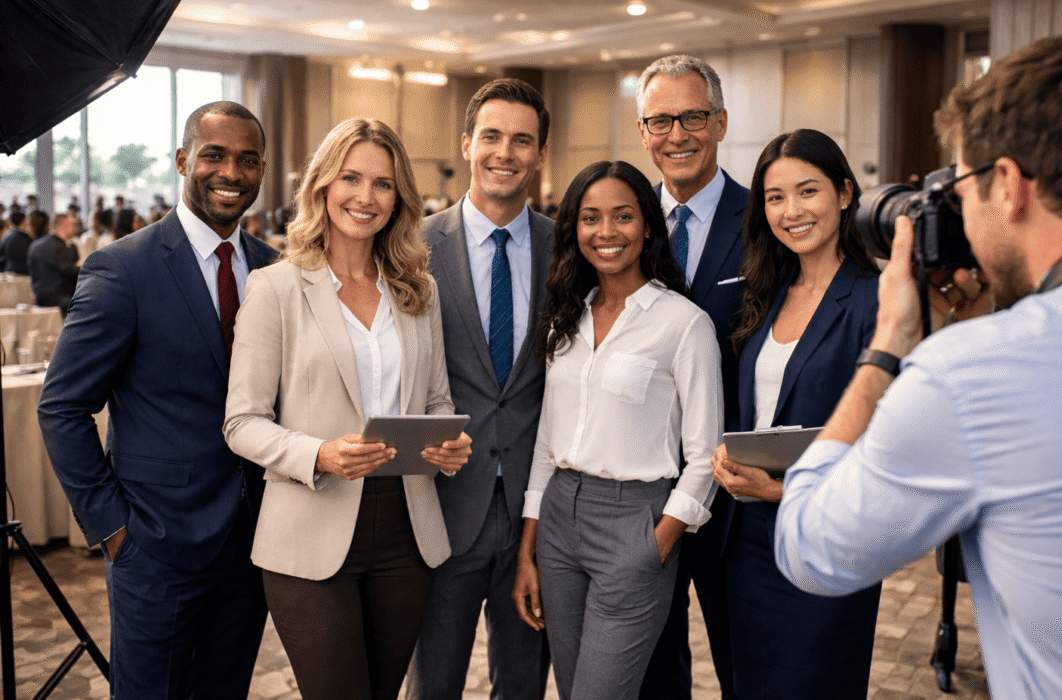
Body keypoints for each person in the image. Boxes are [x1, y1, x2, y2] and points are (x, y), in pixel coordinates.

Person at [773, 35, 1062, 700]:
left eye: (959, 186)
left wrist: (889, 345)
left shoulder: (971, 372)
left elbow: (813, 549)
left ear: (1006, 185)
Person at [223, 117, 472, 700]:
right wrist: (319, 454)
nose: (366, 196)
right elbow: (241, 422)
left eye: (383, 184)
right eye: (351, 178)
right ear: (323, 185)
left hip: (406, 531)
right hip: (308, 528)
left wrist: (448, 445)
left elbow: (438, 401)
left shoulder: (419, 290)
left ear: (399, 198)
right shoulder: (276, 287)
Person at [38, 101, 278, 699]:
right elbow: (63, 407)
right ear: (182, 161)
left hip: (254, 542)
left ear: (262, 170)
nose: (231, 172)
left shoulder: (274, 271)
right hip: (155, 545)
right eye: (215, 155)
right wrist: (113, 528)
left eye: (248, 160)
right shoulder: (123, 269)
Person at [513, 160, 723, 700]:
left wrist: (658, 544)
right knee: (572, 689)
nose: (606, 232)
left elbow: (706, 456)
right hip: (558, 523)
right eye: (590, 218)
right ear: (574, 228)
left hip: (635, 523)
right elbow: (546, 443)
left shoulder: (684, 323)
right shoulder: (567, 317)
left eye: (623, 216)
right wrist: (528, 549)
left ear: (648, 225)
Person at [710, 129, 881, 698]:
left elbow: (886, 451)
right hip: (748, 544)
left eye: (808, 191)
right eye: (775, 197)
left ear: (845, 193)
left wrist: (779, 490)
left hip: (826, 540)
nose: (791, 211)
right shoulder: (769, 289)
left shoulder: (876, 300)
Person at [407, 77, 552, 700]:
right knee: (432, 684)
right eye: (491, 136)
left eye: (522, 140)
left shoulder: (567, 248)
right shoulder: (411, 246)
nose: (505, 152)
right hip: (442, 506)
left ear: (540, 154)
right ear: (467, 144)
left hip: (535, 517)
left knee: (522, 685)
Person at [634, 54, 745, 700]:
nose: (677, 135)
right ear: (643, 132)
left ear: (721, 123)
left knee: (743, 661)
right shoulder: (621, 225)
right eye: (661, 121)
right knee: (653, 668)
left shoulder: (764, 221)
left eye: (693, 117)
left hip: (735, 491)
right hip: (641, 490)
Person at [27, 213, 80, 313]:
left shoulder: (35, 245)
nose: (74, 229)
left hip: (39, 296)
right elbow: (69, 271)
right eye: (72, 225)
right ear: (63, 226)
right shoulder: (60, 247)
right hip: (60, 297)